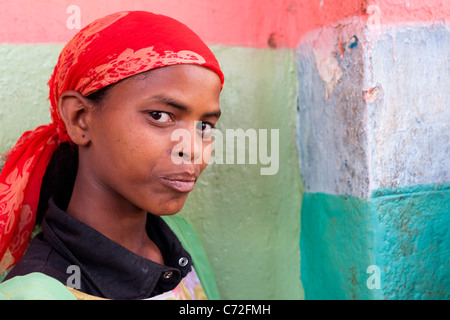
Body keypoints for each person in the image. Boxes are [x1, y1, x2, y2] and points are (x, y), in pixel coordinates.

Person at [0, 10, 224, 300]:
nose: (192, 148)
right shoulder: (34, 294)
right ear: (80, 118)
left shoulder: (178, 238)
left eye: (205, 126)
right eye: (160, 115)